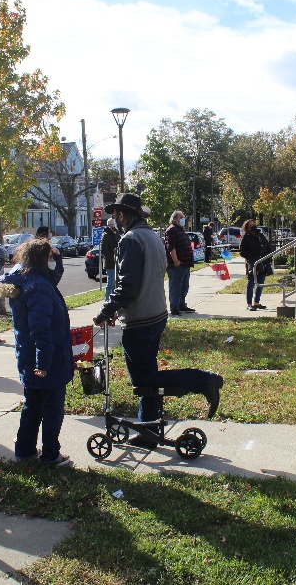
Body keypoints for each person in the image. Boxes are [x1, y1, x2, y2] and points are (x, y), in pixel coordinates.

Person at [92, 193, 223, 450]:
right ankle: (149, 429)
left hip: (140, 320)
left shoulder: (131, 239)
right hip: (155, 314)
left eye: (117, 215)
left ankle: (203, 380)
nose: (116, 220)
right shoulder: (152, 235)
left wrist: (107, 311)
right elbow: (145, 277)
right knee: (148, 377)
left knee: (143, 382)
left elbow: (126, 285)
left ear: (124, 215)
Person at [0, 238, 74, 466]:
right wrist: (43, 363)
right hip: (46, 358)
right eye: (49, 257)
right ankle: (51, 455)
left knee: (32, 405)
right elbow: (40, 328)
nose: (52, 260)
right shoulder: (38, 286)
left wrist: (58, 260)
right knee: (51, 408)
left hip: (29, 354)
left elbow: (52, 279)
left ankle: (25, 450)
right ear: (41, 259)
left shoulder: (26, 278)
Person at [164, 210, 195, 316]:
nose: (183, 219)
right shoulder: (171, 230)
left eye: (183, 217)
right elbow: (170, 246)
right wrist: (175, 260)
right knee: (175, 287)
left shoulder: (181, 229)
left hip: (185, 264)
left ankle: (182, 305)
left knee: (184, 287)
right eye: (181, 217)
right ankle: (174, 308)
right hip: (177, 265)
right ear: (174, 219)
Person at [240, 219, 272, 311]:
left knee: (260, 283)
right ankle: (249, 304)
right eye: (251, 225)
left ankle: (256, 302)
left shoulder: (260, 235)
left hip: (263, 262)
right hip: (253, 262)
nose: (253, 226)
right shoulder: (246, 237)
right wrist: (251, 257)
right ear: (247, 228)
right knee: (251, 282)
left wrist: (267, 256)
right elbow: (242, 251)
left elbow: (267, 246)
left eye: (254, 224)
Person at [100, 217, 119, 300]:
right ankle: (107, 300)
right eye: (114, 225)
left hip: (116, 262)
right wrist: (113, 258)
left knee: (115, 283)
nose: (115, 226)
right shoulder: (106, 235)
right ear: (110, 225)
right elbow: (103, 250)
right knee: (110, 283)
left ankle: (113, 300)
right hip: (110, 263)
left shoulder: (114, 234)